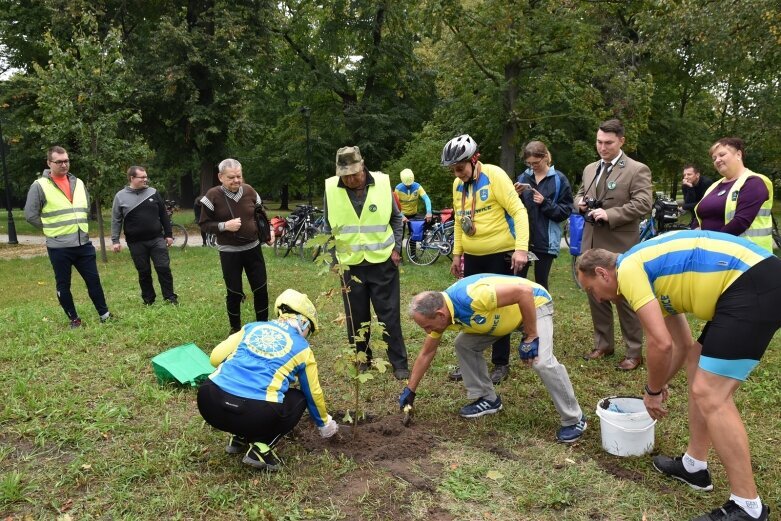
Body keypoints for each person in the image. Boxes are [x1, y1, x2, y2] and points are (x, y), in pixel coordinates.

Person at [576, 231, 780, 521]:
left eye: (592, 289)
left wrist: (653, 391)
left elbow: (660, 344)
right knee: (697, 359)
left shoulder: (630, 269)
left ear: (602, 273)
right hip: (750, 283)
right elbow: (681, 345)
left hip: (753, 282)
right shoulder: (650, 272)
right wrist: (658, 385)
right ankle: (694, 466)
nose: (596, 297)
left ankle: (748, 507)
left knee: (711, 393)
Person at [399, 273, 587, 442]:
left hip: (533, 304)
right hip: (502, 319)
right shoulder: (443, 314)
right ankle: (487, 399)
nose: (428, 331)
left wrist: (530, 336)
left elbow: (524, 292)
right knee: (464, 344)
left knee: (542, 362)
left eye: (427, 327)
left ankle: (574, 419)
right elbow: (426, 353)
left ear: (440, 314)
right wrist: (411, 390)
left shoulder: (472, 297)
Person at [198, 289, 339, 471]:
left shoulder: (252, 327)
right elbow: (313, 393)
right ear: (305, 324)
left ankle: (239, 437)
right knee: (298, 398)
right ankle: (261, 449)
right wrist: (324, 425)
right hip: (254, 414)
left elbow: (215, 358)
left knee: (246, 398)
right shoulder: (303, 349)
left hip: (209, 402)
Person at [442, 134, 530, 384]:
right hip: (473, 256)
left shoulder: (494, 175)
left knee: (500, 308)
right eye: (453, 170)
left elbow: (519, 211)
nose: (457, 174)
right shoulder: (458, 185)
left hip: (499, 255)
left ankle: (501, 363)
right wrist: (457, 254)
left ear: (474, 160)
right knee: (472, 306)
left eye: (460, 168)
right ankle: (472, 359)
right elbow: (460, 221)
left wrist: (520, 249)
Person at [323, 146, 409, 380]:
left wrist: (396, 248)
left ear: (363, 166)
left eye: (354, 173)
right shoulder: (331, 188)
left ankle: (399, 363)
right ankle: (362, 358)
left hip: (382, 262)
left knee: (389, 314)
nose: (350, 179)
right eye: (345, 175)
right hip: (349, 264)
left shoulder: (382, 183)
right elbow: (327, 227)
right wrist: (333, 259)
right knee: (355, 316)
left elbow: (396, 218)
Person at [575, 119, 652, 371]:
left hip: (619, 244)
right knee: (596, 295)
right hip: (592, 241)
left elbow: (643, 204)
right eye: (599, 142)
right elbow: (580, 193)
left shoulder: (636, 169)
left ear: (621, 141)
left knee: (625, 298)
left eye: (608, 142)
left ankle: (633, 351)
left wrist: (612, 214)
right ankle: (604, 344)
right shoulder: (589, 168)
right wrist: (581, 204)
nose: (602, 147)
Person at [24, 146, 112, 328]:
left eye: (66, 161)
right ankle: (74, 319)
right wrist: (50, 227)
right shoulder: (39, 185)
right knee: (63, 285)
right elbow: (30, 214)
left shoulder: (78, 182)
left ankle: (105, 315)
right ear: (49, 163)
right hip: (59, 247)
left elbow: (85, 206)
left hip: (83, 244)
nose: (64, 165)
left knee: (94, 281)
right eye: (59, 162)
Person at [199, 158, 272, 334]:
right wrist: (224, 226)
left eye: (239, 176)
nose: (236, 181)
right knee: (234, 292)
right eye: (231, 177)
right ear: (220, 177)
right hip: (229, 253)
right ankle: (235, 329)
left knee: (261, 289)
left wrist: (268, 233)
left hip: (253, 249)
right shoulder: (212, 196)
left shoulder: (250, 191)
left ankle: (263, 326)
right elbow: (203, 224)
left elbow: (261, 214)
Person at [111, 166, 178, 305]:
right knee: (144, 272)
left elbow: (163, 215)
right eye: (142, 177)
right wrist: (115, 240)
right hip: (135, 242)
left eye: (146, 176)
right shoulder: (120, 196)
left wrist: (169, 234)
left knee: (163, 268)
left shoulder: (153, 192)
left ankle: (170, 298)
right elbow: (116, 219)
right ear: (132, 178)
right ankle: (149, 300)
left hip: (157, 239)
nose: (145, 179)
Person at [693, 137, 773, 253]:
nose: (717, 160)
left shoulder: (754, 182)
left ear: (738, 155)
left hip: (747, 256)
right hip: (715, 254)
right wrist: (694, 231)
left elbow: (740, 222)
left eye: (722, 155)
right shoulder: (714, 186)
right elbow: (699, 212)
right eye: (714, 158)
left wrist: (710, 244)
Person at [514, 141, 573, 291]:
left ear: (545, 157)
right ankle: (520, 314)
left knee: (541, 283)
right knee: (517, 282)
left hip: (546, 241)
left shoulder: (559, 179)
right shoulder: (523, 178)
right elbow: (513, 209)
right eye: (529, 163)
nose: (533, 166)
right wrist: (515, 195)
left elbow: (565, 211)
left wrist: (544, 203)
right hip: (523, 240)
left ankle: (543, 313)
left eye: (536, 162)